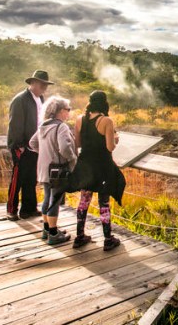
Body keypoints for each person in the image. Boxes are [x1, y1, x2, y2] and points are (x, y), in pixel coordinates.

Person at [71, 90, 126, 251]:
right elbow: (110, 147)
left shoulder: (80, 119)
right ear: (104, 103)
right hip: (102, 166)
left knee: (84, 201)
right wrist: (115, 139)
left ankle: (79, 236)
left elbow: (78, 144)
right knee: (104, 202)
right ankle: (108, 239)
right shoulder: (106, 121)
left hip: (86, 165)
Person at [6, 70, 54, 221]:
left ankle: (28, 209)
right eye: (42, 84)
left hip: (35, 146)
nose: (44, 87)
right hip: (21, 146)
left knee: (31, 178)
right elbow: (15, 124)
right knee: (18, 178)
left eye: (46, 85)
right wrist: (18, 145)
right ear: (33, 83)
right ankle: (11, 210)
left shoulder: (40, 98)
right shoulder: (20, 99)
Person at [29, 96, 77, 245]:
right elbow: (64, 148)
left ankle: (47, 229)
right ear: (60, 111)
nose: (69, 113)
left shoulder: (43, 126)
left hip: (44, 169)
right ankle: (54, 234)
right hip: (57, 170)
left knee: (47, 198)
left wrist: (45, 153)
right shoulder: (61, 126)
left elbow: (32, 143)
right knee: (54, 200)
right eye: (67, 110)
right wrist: (72, 159)